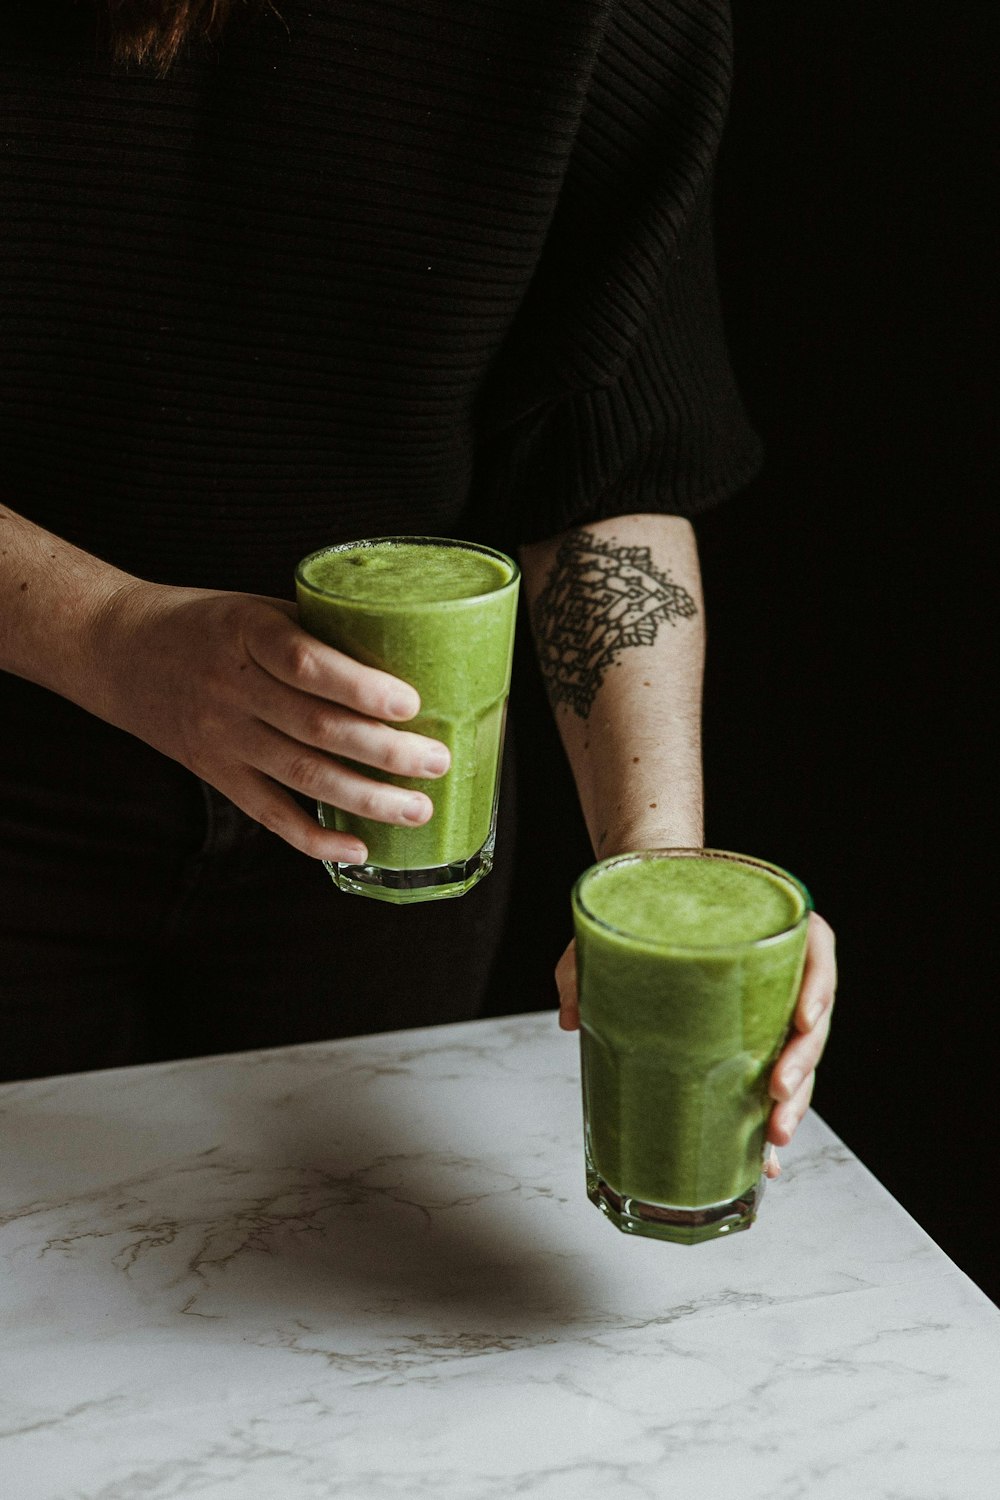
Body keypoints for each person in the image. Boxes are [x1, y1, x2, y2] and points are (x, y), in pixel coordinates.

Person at [0, 0, 834, 1170]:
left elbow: (600, 456)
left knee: (317, 1290)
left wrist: (655, 872)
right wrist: (107, 631)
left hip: (387, 826)